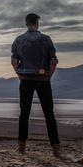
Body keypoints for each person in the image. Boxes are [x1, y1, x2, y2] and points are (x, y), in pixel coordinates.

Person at [11, 13, 61, 157]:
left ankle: (21, 147)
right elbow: (53, 61)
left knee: (24, 114)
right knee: (49, 114)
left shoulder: (18, 40)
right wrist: (48, 77)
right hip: (43, 79)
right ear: (37, 23)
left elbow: (14, 61)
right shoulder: (46, 39)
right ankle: (55, 147)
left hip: (25, 80)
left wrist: (20, 75)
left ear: (25, 24)